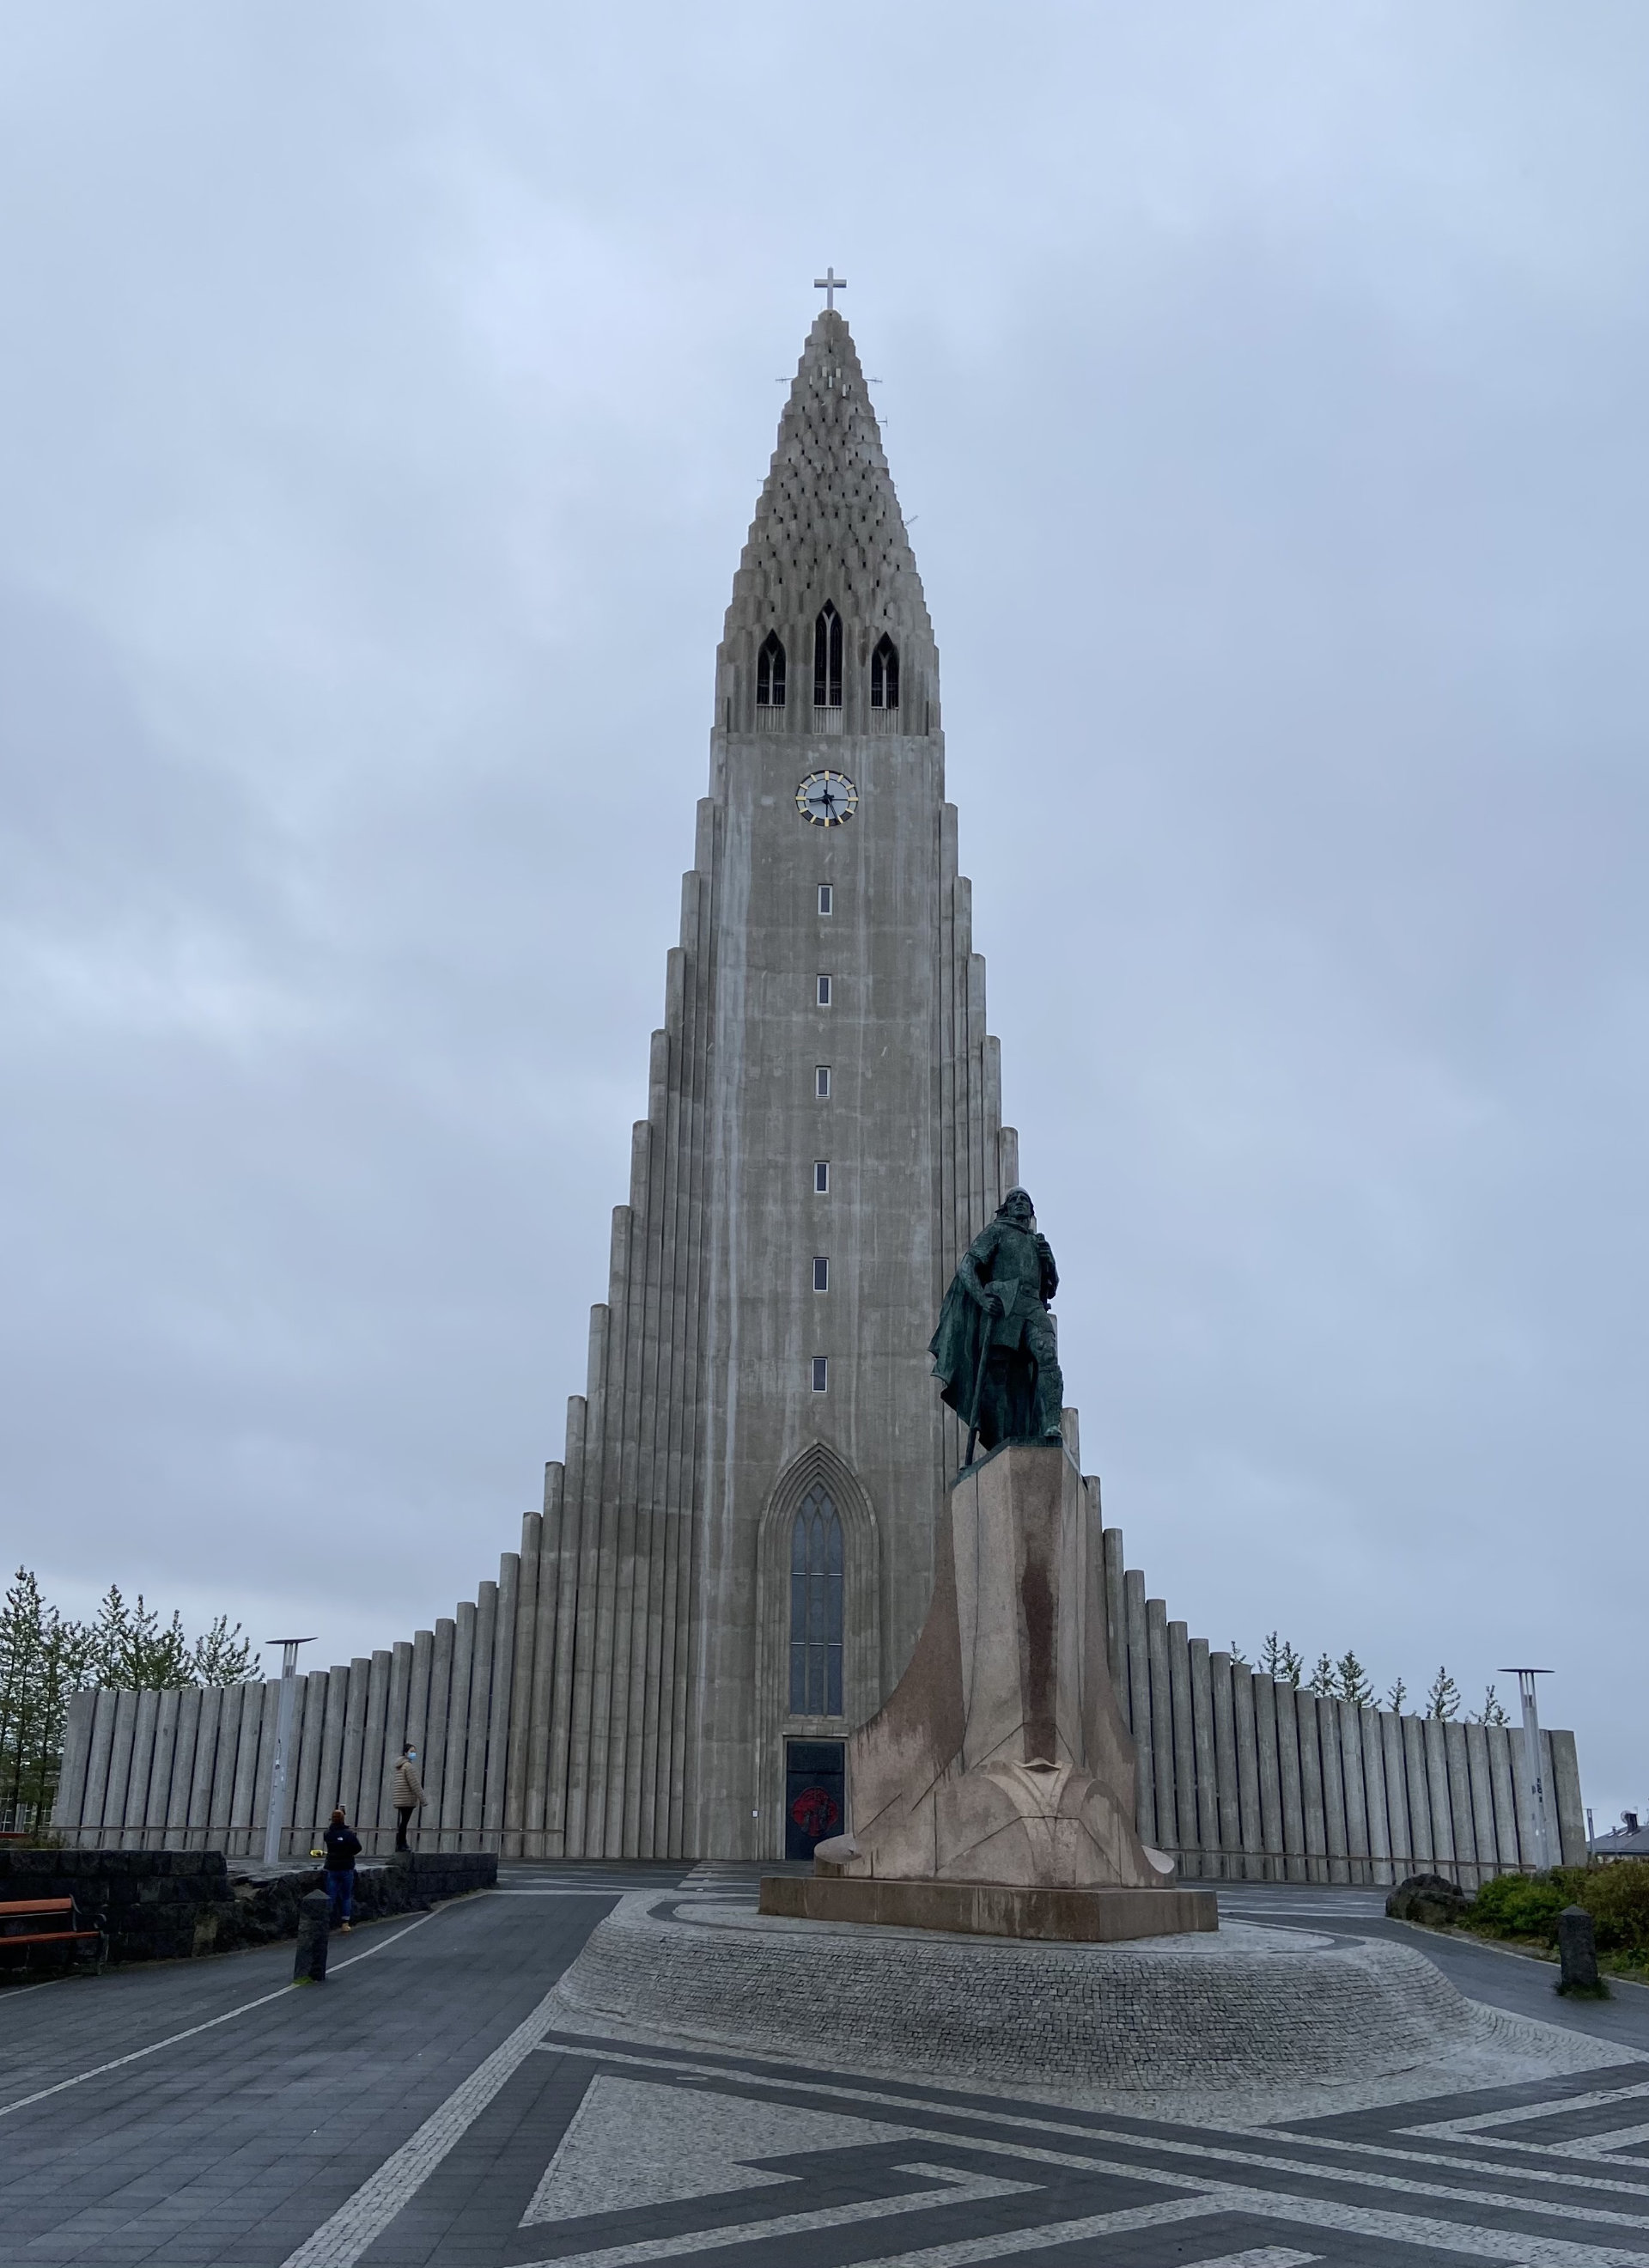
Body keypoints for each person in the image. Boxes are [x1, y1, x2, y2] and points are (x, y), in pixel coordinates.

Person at [929, 1186, 1065, 1454]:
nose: (1018, 1202)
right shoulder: (997, 1231)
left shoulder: (1037, 1242)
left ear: (1031, 1209)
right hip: (1004, 1309)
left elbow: (1052, 1287)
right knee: (998, 1377)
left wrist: (1051, 1264)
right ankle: (999, 1440)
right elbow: (967, 1267)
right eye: (1013, 1199)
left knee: (1047, 1355)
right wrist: (981, 1298)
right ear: (1005, 1208)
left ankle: (1051, 1424)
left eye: (1024, 1199)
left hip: (1032, 1307)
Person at [321, 1808, 361, 1931]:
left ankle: (326, 1922)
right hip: (346, 1866)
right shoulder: (349, 1834)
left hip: (332, 1867)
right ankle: (345, 1923)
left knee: (331, 1895)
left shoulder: (328, 1833)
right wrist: (349, 1853)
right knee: (346, 1895)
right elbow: (358, 1848)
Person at [388, 1744, 424, 1852]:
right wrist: (423, 1799)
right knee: (404, 1823)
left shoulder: (400, 1766)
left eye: (414, 1751)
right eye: (411, 1751)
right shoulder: (408, 1766)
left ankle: (401, 1844)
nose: (413, 1754)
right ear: (405, 1753)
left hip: (400, 1798)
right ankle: (401, 1844)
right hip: (407, 1799)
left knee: (403, 1822)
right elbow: (415, 1784)